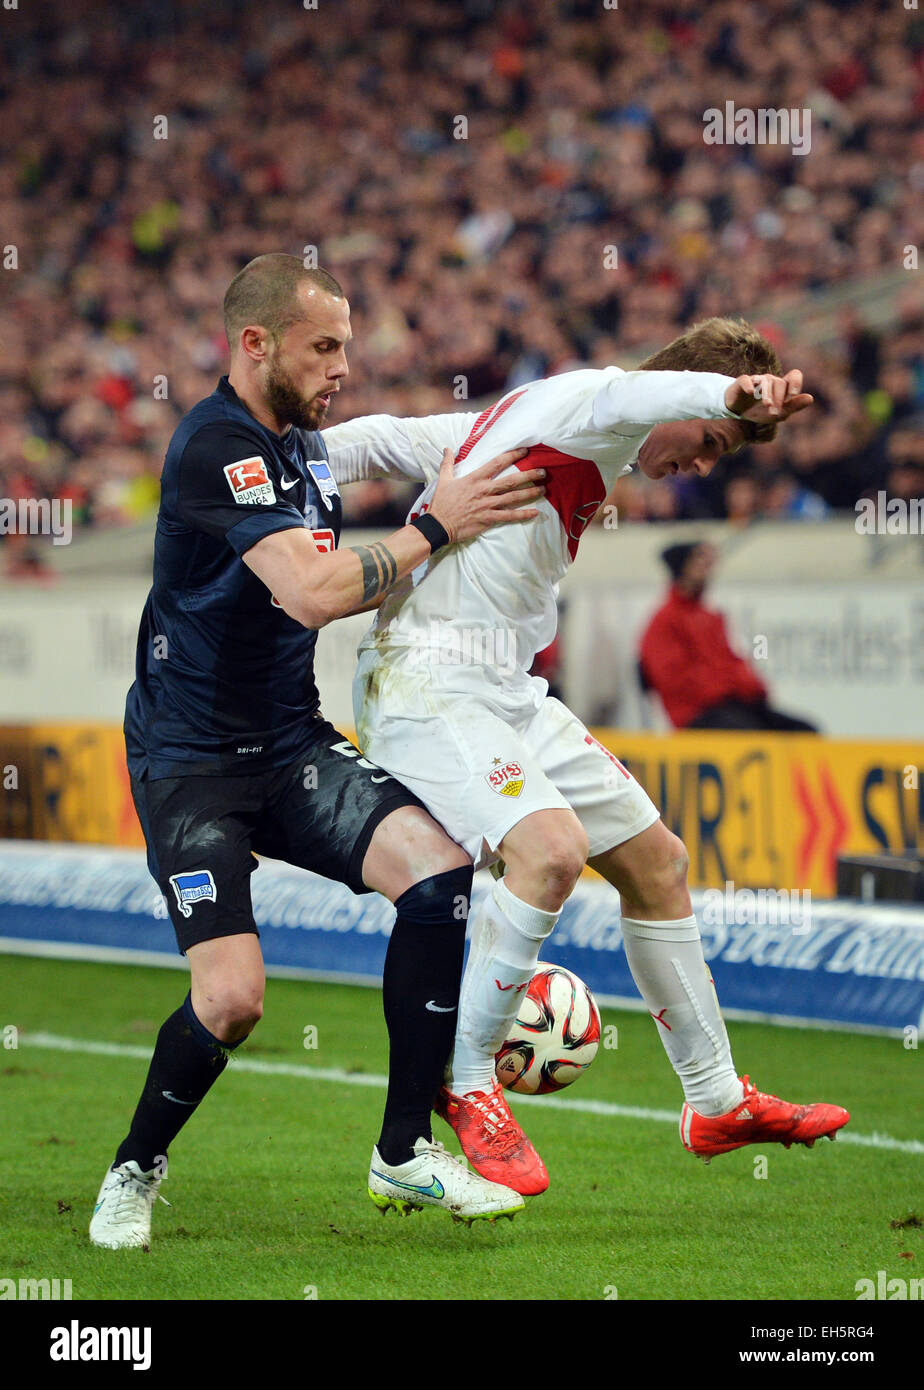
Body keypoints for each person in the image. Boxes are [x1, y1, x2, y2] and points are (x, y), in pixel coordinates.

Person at [323, 317, 849, 1197]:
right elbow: (639, 392)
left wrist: (282, 458)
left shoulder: (541, 419)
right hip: (426, 677)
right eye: (711, 444)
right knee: (552, 850)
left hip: (507, 687)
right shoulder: (598, 402)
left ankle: (714, 1099)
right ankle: (465, 1078)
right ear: (688, 388)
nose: (702, 465)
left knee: (657, 862)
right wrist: (732, 394)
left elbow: (390, 439)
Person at [89, 254, 549, 1247]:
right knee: (234, 1000)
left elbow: (354, 573)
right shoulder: (218, 444)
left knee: (438, 878)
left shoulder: (306, 449)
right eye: (325, 346)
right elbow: (312, 591)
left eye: (349, 342)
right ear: (256, 345)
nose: (347, 364)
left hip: (289, 740)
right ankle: (134, 1166)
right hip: (191, 758)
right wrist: (433, 525)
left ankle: (402, 1155)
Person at [639, 540, 818, 731]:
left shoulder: (711, 617)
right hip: (696, 714)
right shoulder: (664, 621)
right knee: (752, 735)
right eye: (699, 563)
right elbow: (675, 682)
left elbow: (732, 662)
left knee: (804, 730)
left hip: (730, 705)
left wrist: (750, 689)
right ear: (682, 569)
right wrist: (730, 689)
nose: (707, 570)